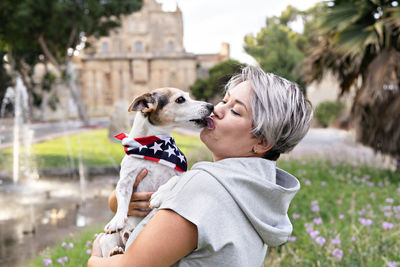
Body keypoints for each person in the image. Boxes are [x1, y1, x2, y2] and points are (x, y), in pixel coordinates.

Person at [88, 66, 313, 267]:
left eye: (235, 111)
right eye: (224, 100)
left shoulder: (202, 187)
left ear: (262, 143)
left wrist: (95, 258)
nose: (216, 109)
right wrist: (119, 201)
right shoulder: (261, 193)